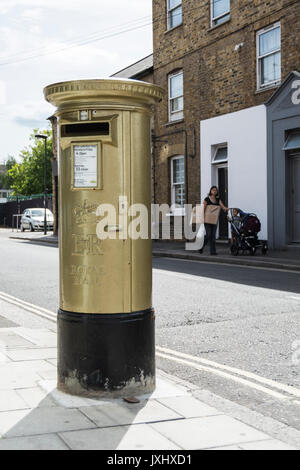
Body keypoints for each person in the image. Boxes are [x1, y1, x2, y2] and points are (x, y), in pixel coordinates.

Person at [199, 186, 228, 255]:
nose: (214, 191)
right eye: (213, 190)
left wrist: (226, 209)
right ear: (210, 191)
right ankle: (201, 246)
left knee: (213, 236)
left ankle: (213, 251)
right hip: (207, 219)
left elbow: (222, 206)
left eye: (215, 190)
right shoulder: (207, 199)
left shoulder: (218, 199)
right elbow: (203, 209)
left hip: (214, 220)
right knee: (208, 235)